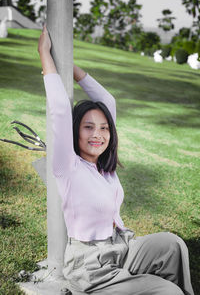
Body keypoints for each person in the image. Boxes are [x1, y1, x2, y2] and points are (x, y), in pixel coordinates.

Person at [38, 25, 194, 295]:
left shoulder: (104, 169)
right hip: (90, 267)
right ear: (74, 131)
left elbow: (107, 101)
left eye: (104, 128)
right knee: (167, 291)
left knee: (173, 245)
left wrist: (69, 65)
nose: (97, 134)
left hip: (121, 247)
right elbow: (61, 110)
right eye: (88, 127)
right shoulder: (68, 166)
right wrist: (46, 56)